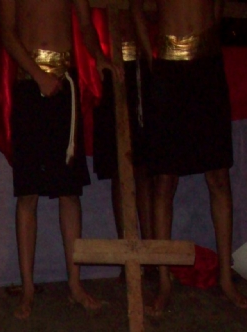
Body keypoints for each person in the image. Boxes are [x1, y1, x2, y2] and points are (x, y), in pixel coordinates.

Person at [0, 0, 114, 319]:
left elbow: (86, 25)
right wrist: (38, 76)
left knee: (69, 192)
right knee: (28, 194)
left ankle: (75, 284)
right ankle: (28, 288)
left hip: (64, 85)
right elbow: (7, 32)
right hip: (29, 84)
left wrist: (99, 56)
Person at [132, 0, 247, 313]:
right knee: (164, 180)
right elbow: (136, 6)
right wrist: (151, 56)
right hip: (168, 65)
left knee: (219, 176)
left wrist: (208, 44)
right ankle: (164, 281)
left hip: (207, 66)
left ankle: (225, 278)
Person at [91, 9, 152, 241]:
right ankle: (126, 245)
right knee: (118, 165)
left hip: (141, 63)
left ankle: (149, 245)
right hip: (107, 64)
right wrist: (99, 56)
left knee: (145, 165)